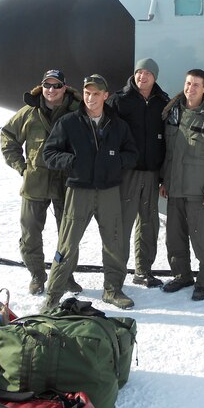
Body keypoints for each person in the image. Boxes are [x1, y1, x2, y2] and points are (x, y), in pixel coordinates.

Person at [41, 74, 138, 311]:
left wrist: (114, 162)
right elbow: (49, 153)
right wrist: (72, 161)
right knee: (67, 245)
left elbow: (132, 154)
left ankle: (113, 289)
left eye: (96, 94)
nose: (90, 98)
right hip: (79, 191)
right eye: (86, 93)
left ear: (106, 96)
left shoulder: (118, 125)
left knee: (114, 243)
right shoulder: (69, 123)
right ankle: (53, 295)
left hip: (108, 192)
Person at [0, 69, 82, 296]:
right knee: (30, 234)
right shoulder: (29, 112)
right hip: (34, 183)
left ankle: (66, 276)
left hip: (66, 183)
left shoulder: (77, 111)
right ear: (41, 86)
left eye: (57, 86)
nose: (51, 90)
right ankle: (37, 275)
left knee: (68, 235)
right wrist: (21, 166)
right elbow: (8, 135)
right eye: (48, 85)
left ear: (65, 88)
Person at [160, 69, 204, 301]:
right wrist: (164, 180)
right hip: (175, 188)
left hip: (200, 192)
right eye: (188, 83)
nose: (191, 88)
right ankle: (182, 275)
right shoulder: (173, 112)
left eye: (196, 85)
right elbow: (168, 152)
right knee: (175, 237)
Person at [108, 58, 169, 288]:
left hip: (152, 172)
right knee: (122, 223)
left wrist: (163, 175)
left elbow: (167, 140)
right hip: (128, 173)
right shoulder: (119, 101)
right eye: (139, 72)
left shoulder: (161, 102)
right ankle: (116, 274)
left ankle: (144, 270)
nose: (142, 77)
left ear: (155, 77)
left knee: (149, 223)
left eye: (147, 73)